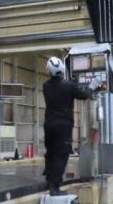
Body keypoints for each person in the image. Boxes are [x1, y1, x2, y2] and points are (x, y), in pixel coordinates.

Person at [43, 56, 101, 195]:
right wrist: (92, 86)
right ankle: (55, 187)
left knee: (51, 152)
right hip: (63, 126)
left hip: (49, 125)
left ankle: (49, 179)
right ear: (62, 69)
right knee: (61, 155)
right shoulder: (69, 86)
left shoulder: (46, 86)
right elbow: (83, 95)